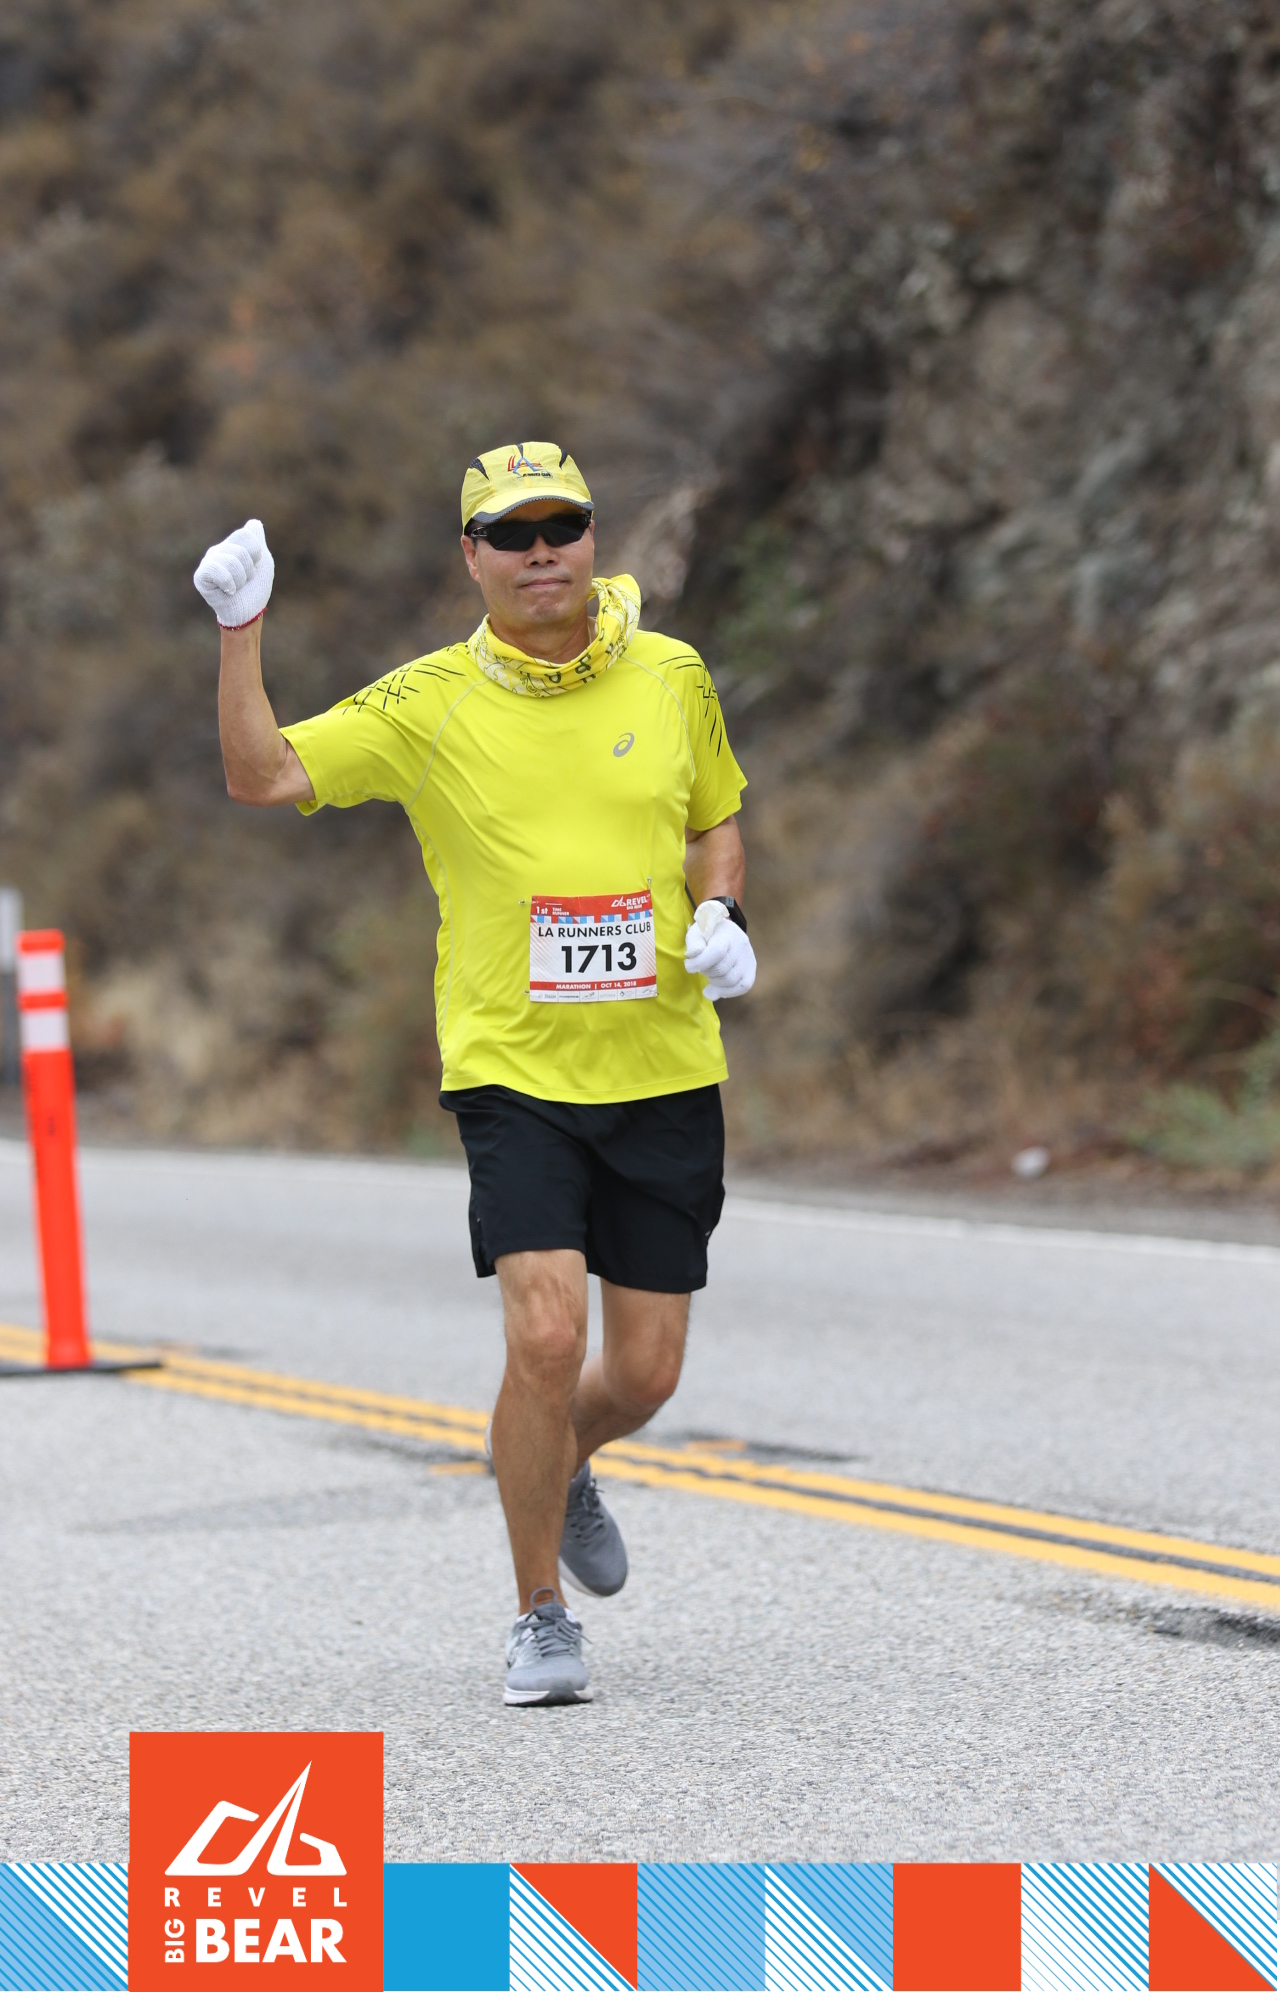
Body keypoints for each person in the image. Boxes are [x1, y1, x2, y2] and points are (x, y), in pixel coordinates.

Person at [196, 442, 756, 1705]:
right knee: (546, 1338)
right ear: (473, 556)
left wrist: (723, 911)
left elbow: (713, 817)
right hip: (514, 1069)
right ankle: (538, 1616)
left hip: (663, 1063)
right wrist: (241, 631)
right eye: (510, 534)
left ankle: (553, 1459)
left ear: (592, 537)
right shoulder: (428, 702)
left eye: (561, 526)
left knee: (645, 1373)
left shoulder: (673, 674)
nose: (540, 551)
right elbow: (260, 772)